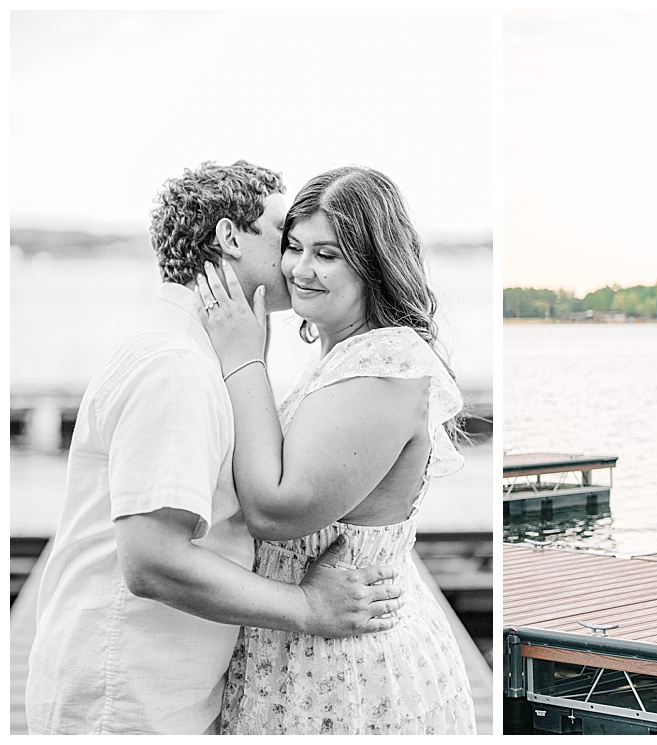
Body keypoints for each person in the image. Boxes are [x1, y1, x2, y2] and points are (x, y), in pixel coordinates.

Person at [26, 161, 404, 736]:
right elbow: (152, 560)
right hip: (129, 698)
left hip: (158, 690)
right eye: (283, 234)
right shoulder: (175, 366)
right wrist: (307, 607)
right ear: (230, 237)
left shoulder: (196, 352)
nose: (293, 259)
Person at [197, 165, 476, 734]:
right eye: (293, 246)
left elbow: (276, 511)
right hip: (312, 650)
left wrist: (243, 357)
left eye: (328, 253)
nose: (301, 270)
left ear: (373, 263)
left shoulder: (385, 364)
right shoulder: (343, 355)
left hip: (347, 673)